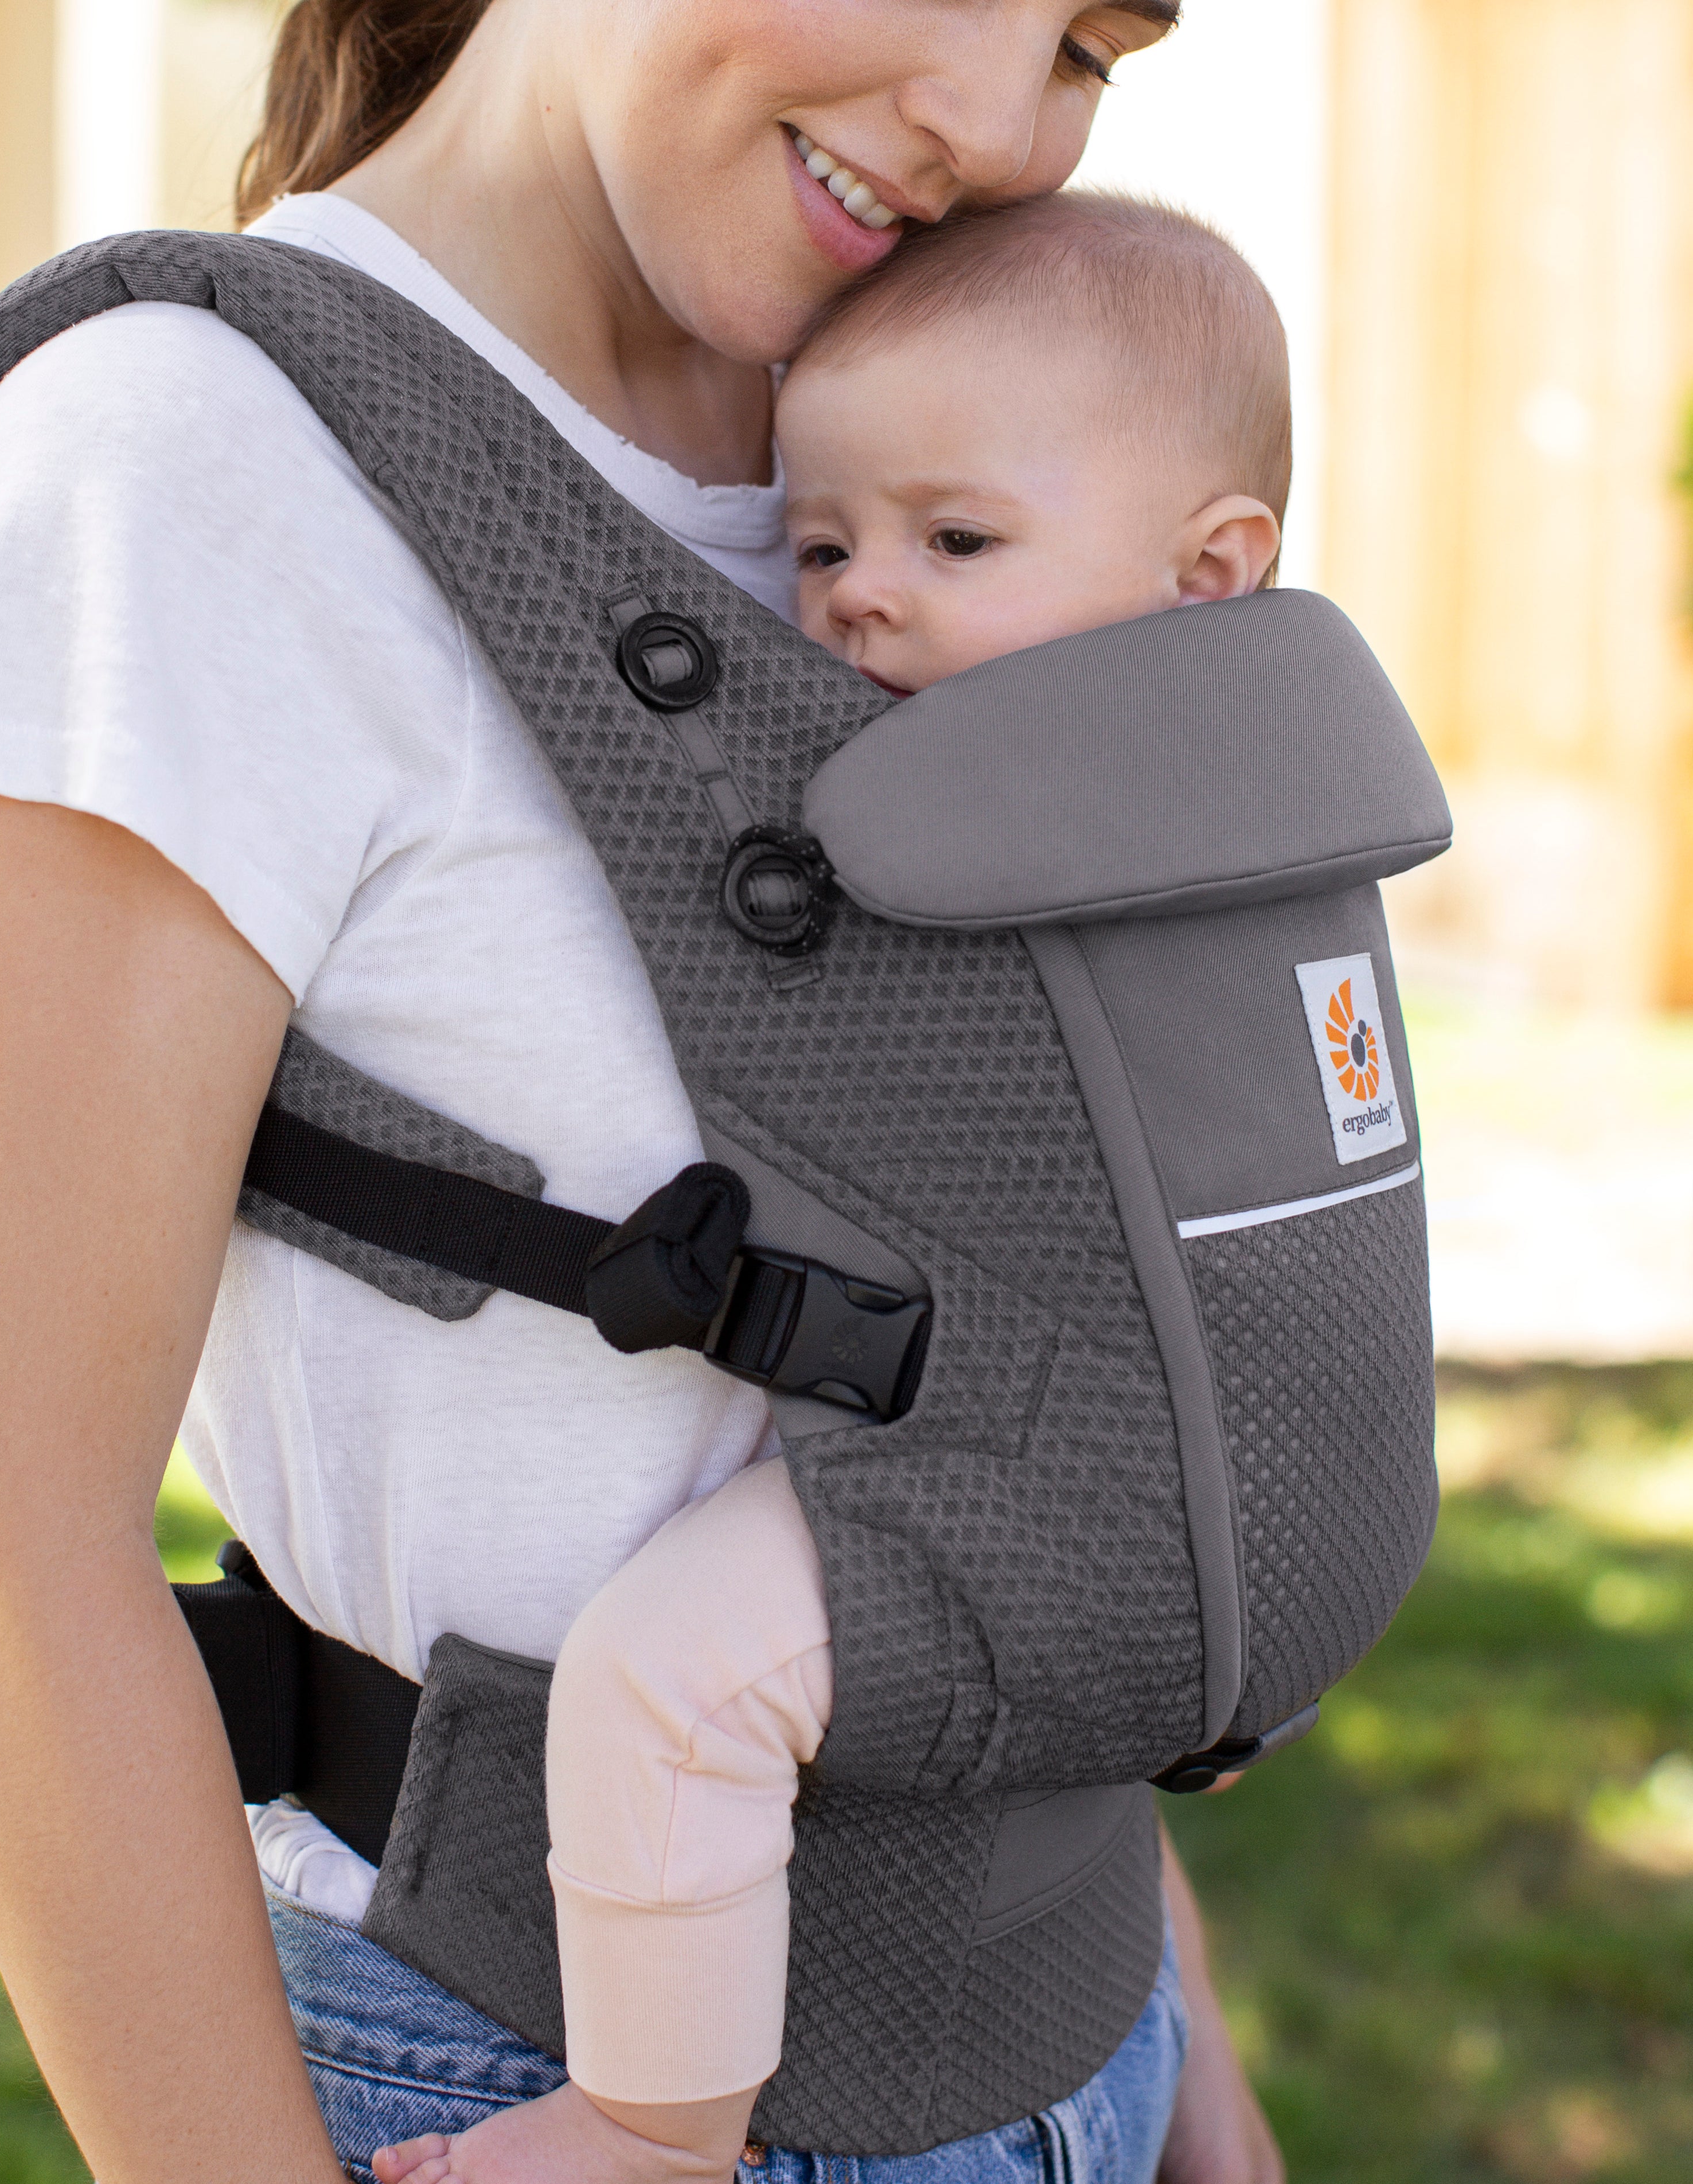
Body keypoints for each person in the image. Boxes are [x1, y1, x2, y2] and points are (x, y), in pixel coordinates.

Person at [0, 2, 1284, 2179]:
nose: (1004, 125)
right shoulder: (188, 471)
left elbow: (1006, 1355)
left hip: (1078, 2035)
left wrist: (1187, 2075)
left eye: (1094, 39)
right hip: (517, 2075)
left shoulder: (917, 465)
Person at [366, 190, 1289, 2184]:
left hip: (1039, 1495)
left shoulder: (1038, 823)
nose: (860, 599)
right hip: (1147, 1572)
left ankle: (648, 2121)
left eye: (953, 542)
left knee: (671, 1679)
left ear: (1215, 577)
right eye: (822, 543)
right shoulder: (1263, 794)